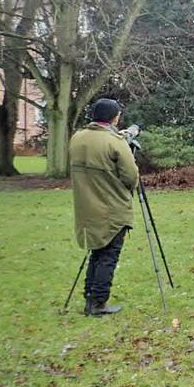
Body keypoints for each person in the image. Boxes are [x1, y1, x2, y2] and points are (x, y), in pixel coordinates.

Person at [69, 98, 139, 316]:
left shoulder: (77, 138)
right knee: (109, 256)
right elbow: (131, 176)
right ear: (114, 117)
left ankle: (90, 297)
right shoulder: (114, 142)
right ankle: (99, 302)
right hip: (112, 208)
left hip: (86, 207)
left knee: (97, 253)